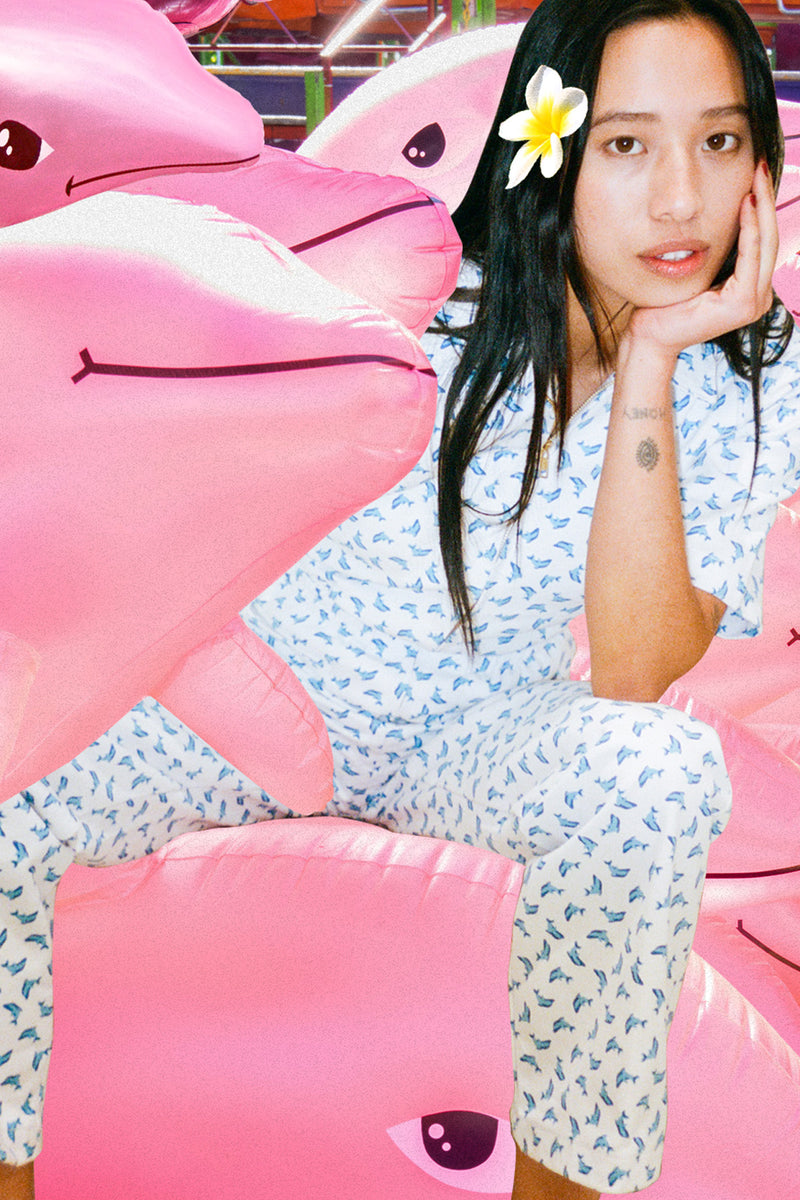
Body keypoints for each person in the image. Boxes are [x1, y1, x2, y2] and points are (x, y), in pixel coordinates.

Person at [0, 0, 798, 1197]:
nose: (677, 197)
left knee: (656, 767)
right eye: (627, 144)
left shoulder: (752, 369)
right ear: (548, 142)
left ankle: (568, 1185)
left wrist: (652, 362)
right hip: (258, 705)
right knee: (12, 802)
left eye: (719, 142)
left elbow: (635, 667)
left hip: (475, 735)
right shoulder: (418, 279)